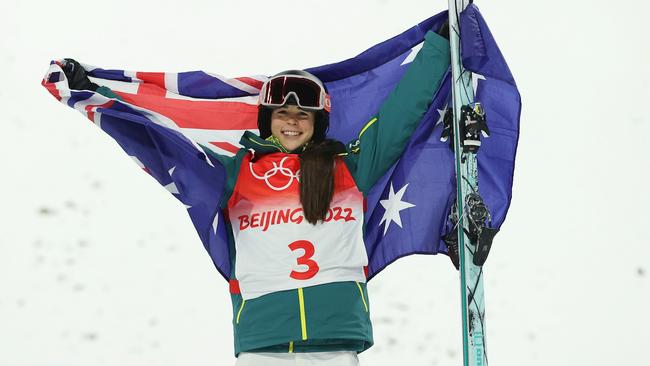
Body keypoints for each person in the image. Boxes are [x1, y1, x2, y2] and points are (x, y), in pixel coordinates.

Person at [61, 27, 450, 366]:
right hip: (262, 346)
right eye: (282, 114)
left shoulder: (348, 169)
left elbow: (401, 115)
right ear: (267, 121)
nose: (292, 122)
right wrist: (95, 91)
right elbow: (161, 138)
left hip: (337, 344)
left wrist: (437, 48)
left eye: (302, 116)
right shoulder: (234, 173)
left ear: (317, 124)